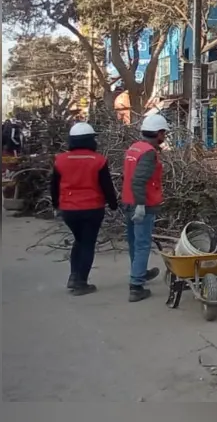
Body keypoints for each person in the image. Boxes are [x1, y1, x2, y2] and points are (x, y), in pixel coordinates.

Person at [50, 122, 120, 295]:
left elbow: (54, 186)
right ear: (90, 140)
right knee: (88, 243)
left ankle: (74, 276)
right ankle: (81, 282)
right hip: (92, 209)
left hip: (69, 210)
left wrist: (56, 204)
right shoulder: (98, 160)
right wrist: (113, 205)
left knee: (78, 241)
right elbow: (107, 186)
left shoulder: (60, 160)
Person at [122, 113, 168, 302]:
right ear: (158, 133)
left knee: (134, 242)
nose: (164, 137)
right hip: (142, 204)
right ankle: (136, 286)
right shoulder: (149, 153)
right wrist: (141, 205)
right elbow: (139, 180)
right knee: (142, 245)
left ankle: (138, 272)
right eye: (164, 133)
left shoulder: (134, 148)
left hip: (128, 201)